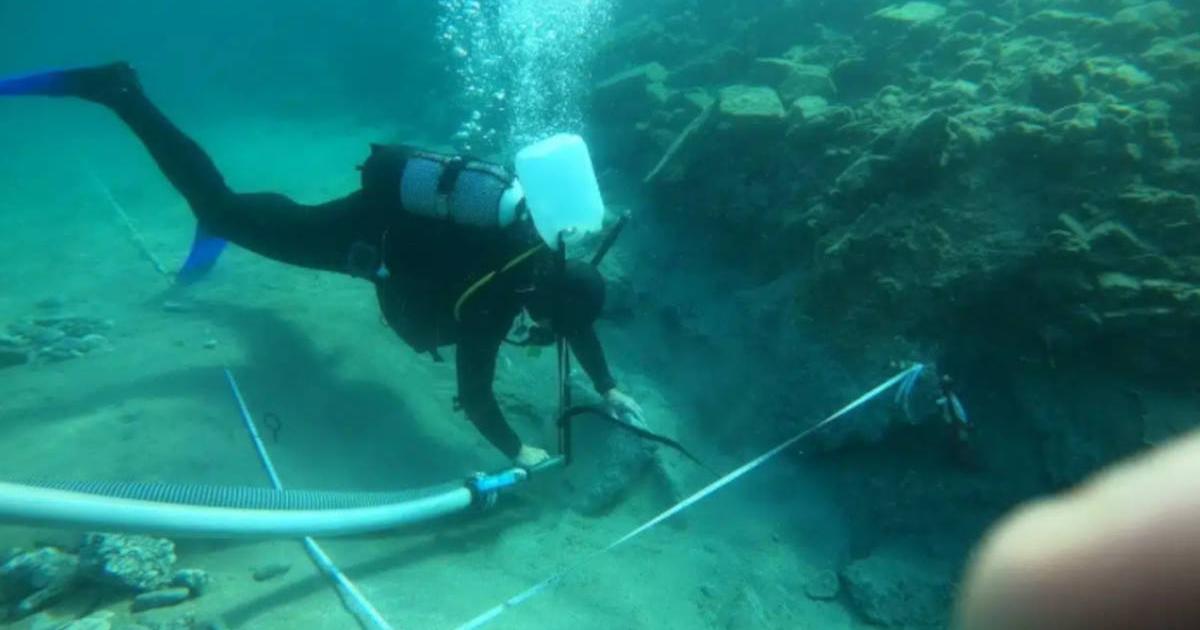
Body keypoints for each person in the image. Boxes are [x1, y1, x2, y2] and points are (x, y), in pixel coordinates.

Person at [0, 62, 644, 468]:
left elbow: (575, 314)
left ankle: (222, 222)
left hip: (380, 226)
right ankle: (122, 93)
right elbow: (474, 395)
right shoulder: (495, 299)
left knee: (281, 222)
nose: (551, 333)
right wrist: (520, 453)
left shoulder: (546, 249)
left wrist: (608, 386)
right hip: (363, 235)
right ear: (546, 302)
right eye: (552, 326)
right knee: (226, 209)